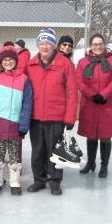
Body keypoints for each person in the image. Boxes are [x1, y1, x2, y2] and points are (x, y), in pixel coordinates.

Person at [25, 28, 78, 195]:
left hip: (56, 116)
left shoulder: (65, 64)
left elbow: (72, 92)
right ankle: (39, 180)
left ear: (54, 46)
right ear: (38, 45)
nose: (45, 46)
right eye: (41, 43)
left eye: (48, 43)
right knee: (38, 150)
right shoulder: (30, 64)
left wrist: (70, 118)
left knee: (54, 151)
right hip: (36, 116)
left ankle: (55, 181)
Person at [0, 43, 32, 195]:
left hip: (16, 124)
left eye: (11, 59)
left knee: (14, 155)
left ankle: (14, 182)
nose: (8, 62)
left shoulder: (24, 79)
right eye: (5, 60)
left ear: (16, 61)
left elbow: (27, 103)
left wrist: (24, 124)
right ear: (1, 62)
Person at [77, 34, 112, 178]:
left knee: (105, 136)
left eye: (100, 44)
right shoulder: (83, 62)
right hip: (89, 103)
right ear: (90, 45)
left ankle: (104, 165)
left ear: (104, 44)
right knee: (91, 135)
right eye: (95, 44)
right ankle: (90, 163)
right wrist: (91, 95)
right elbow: (79, 82)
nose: (98, 47)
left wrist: (103, 95)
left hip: (106, 104)